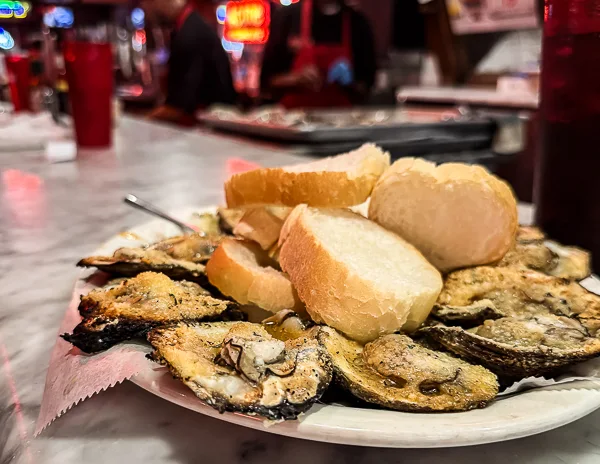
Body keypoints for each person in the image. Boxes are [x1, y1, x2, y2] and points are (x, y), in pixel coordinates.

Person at [260, 0, 376, 108]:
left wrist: (350, 84)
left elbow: (367, 87)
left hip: (341, 122)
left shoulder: (357, 23)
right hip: (294, 121)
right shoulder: (288, 17)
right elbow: (266, 83)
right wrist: (295, 79)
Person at [142, 0, 237, 125]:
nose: (146, 9)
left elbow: (177, 108)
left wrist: (141, 122)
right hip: (210, 124)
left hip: (216, 127)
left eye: (149, 2)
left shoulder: (190, 35)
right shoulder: (189, 26)